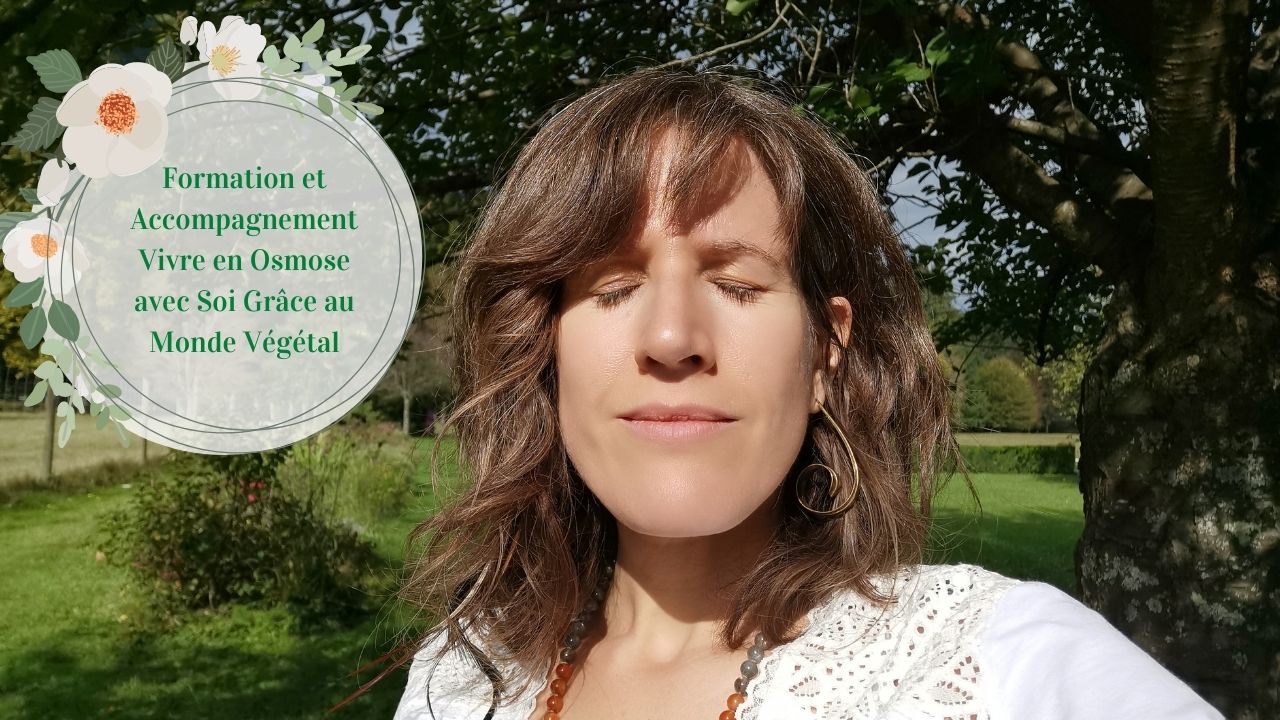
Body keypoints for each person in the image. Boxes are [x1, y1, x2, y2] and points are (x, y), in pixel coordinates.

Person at [353, 67, 1224, 719]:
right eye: (612, 287)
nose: (672, 339)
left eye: (737, 286)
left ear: (823, 354)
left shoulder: (1002, 666)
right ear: (545, 350)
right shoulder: (461, 679)